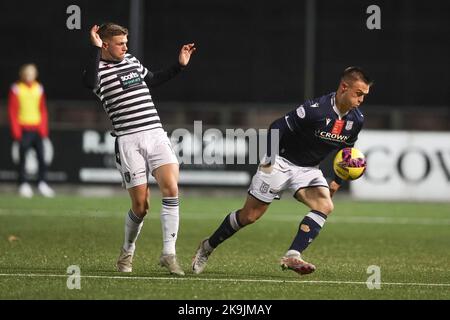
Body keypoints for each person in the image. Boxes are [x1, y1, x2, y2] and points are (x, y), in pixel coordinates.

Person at [192, 67, 372, 275]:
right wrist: (268, 159)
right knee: (249, 216)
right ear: (344, 87)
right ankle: (207, 246)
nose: (361, 100)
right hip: (280, 162)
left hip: (308, 169)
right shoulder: (316, 109)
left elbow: (346, 153)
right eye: (358, 94)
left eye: (365, 96)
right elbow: (277, 127)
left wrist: (337, 181)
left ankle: (293, 255)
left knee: (325, 205)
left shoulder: (356, 120)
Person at [82, 23, 195, 276]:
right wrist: (95, 48)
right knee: (141, 206)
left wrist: (179, 65)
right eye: (120, 43)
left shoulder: (131, 60)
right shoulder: (96, 69)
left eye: (126, 42)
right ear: (106, 44)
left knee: (171, 187)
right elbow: (88, 82)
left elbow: (153, 79)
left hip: (155, 132)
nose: (125, 47)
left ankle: (168, 253)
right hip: (128, 140)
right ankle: (127, 251)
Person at [7, 63, 55, 198]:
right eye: (26, 73)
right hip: (23, 129)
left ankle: (42, 183)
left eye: (31, 73)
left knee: (41, 157)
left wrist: (44, 129)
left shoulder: (38, 88)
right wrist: (16, 131)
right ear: (22, 74)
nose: (29, 76)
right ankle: (23, 184)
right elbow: (12, 111)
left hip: (37, 129)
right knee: (22, 159)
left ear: (35, 74)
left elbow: (43, 110)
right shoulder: (16, 89)